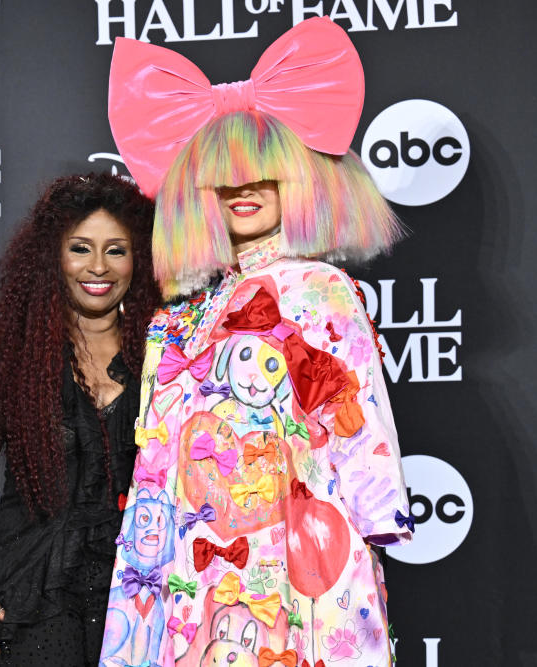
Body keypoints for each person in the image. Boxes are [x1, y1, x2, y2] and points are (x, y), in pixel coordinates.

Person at [99, 18, 414, 667]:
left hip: (298, 565)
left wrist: (371, 526)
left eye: (262, 172)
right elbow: (160, 465)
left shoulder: (321, 288)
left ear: (300, 176)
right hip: (194, 573)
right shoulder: (184, 313)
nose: (242, 188)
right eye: (224, 175)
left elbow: (360, 431)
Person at [0, 173, 161, 666]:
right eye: (81, 248)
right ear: (54, 257)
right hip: (32, 590)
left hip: (137, 592)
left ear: (139, 260)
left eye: (116, 250)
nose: (98, 267)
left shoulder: (164, 354)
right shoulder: (14, 354)